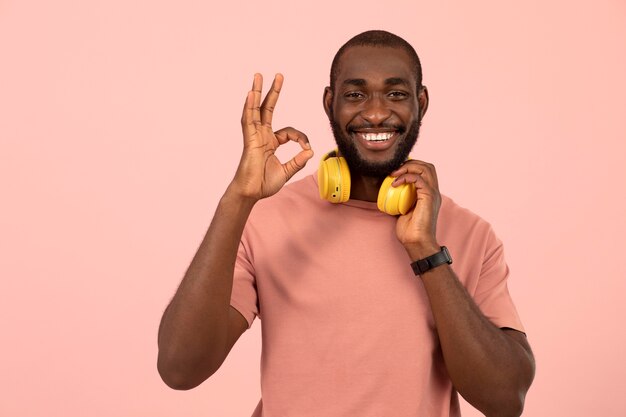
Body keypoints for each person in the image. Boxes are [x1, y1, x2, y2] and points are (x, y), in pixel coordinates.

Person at [157, 30, 535, 417]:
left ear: (421, 102)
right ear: (329, 103)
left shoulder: (471, 233)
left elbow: (505, 399)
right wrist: (238, 198)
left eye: (396, 94)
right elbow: (180, 368)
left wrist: (427, 251)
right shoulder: (266, 218)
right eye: (355, 94)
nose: (375, 113)